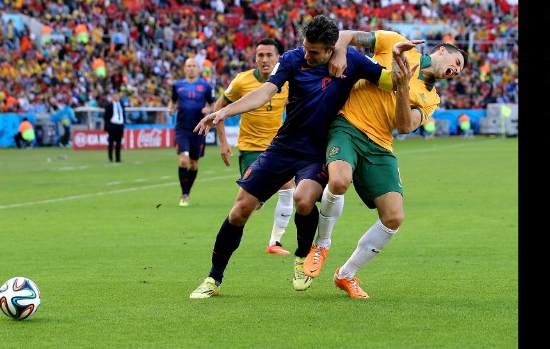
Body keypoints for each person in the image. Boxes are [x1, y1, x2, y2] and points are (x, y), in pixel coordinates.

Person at [189, 15, 402, 299]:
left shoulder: (353, 61)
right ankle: (213, 278)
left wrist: (408, 66)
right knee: (240, 210)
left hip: (317, 151)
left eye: (314, 51)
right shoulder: (291, 59)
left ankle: (303, 255)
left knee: (303, 199)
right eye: (305, 47)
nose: (307, 54)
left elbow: (390, 81)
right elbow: (265, 92)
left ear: (330, 48)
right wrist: (224, 112)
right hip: (284, 146)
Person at [302, 30, 468, 299]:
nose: (456, 71)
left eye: (459, 71)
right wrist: (341, 53)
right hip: (348, 124)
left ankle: (345, 274)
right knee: (340, 180)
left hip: (380, 145)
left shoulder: (431, 98)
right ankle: (321, 245)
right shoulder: (394, 42)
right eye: (456, 63)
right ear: (441, 51)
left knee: (394, 217)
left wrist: (402, 87)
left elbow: (403, 126)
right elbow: (344, 35)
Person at [212, 38, 294, 256]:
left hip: (277, 147)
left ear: (278, 58)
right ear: (255, 58)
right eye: (261, 55)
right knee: (251, 205)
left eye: (269, 55)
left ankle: (275, 243)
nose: (265, 60)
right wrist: (223, 142)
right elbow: (219, 107)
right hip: (251, 150)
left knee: (289, 187)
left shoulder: (287, 81)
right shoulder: (241, 81)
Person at [167, 57, 215, 207]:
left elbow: (214, 104)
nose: (192, 68)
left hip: (198, 130)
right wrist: (171, 108)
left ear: (198, 69)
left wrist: (209, 109)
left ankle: (187, 191)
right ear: (185, 69)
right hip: (182, 129)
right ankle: (184, 194)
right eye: (189, 66)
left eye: (194, 66)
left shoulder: (205, 86)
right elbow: (173, 101)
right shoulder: (177, 85)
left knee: (194, 164)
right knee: (183, 160)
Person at [104, 92, 125, 163]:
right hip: (113, 124)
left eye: (117, 96)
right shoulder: (109, 105)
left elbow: (123, 114)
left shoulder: (121, 104)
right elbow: (106, 116)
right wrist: (108, 125)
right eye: (115, 96)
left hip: (120, 124)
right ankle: (110, 158)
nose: (117, 98)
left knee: (119, 142)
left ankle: (118, 158)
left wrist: (123, 122)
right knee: (111, 142)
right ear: (113, 97)